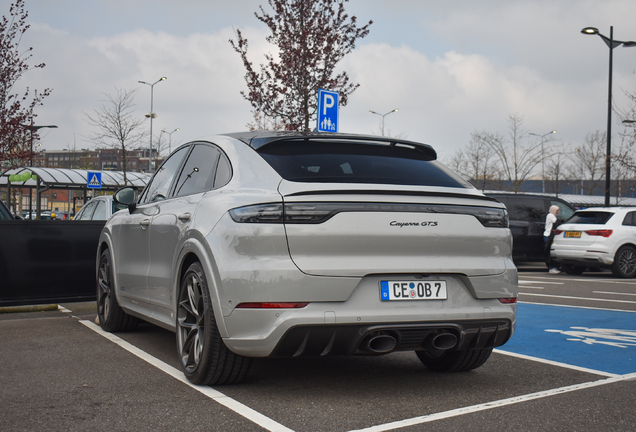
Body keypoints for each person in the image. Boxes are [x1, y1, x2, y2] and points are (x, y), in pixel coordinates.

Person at [544, 205, 560, 274]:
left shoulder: (551, 216)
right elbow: (556, 222)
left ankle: (553, 267)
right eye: (557, 210)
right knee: (549, 251)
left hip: (549, 235)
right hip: (548, 235)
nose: (558, 212)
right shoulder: (550, 215)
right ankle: (551, 267)